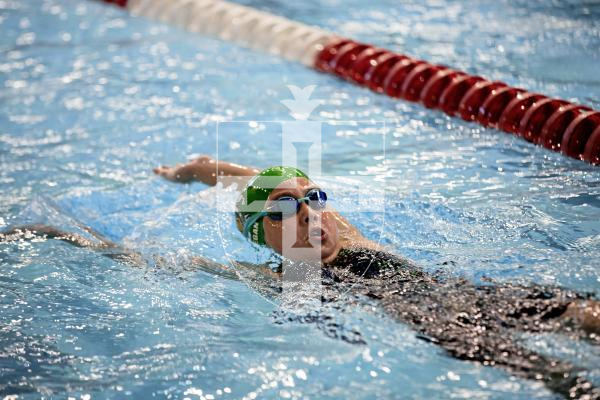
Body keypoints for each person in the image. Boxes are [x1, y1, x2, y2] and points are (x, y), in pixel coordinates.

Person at [3, 155, 600, 398]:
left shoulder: (351, 237)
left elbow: (261, 175)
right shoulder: (277, 280)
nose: (309, 213)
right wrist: (54, 235)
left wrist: (201, 169)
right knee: (565, 381)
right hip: (445, 331)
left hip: (483, 297)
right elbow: (140, 259)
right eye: (287, 209)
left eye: (312, 198)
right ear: (262, 234)